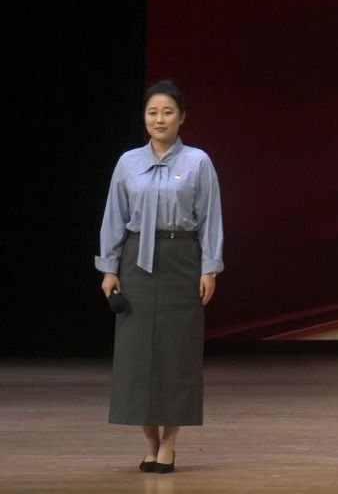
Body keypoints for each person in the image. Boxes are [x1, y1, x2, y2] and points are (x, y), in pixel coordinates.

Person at [96, 79, 224, 474]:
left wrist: (209, 267)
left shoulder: (198, 162)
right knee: (137, 355)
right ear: (144, 118)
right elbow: (114, 217)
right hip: (136, 261)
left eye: (168, 112)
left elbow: (211, 219)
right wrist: (109, 268)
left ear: (182, 117)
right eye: (153, 112)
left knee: (176, 354)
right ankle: (149, 441)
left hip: (181, 259)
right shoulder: (128, 162)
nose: (159, 119)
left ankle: (170, 441)